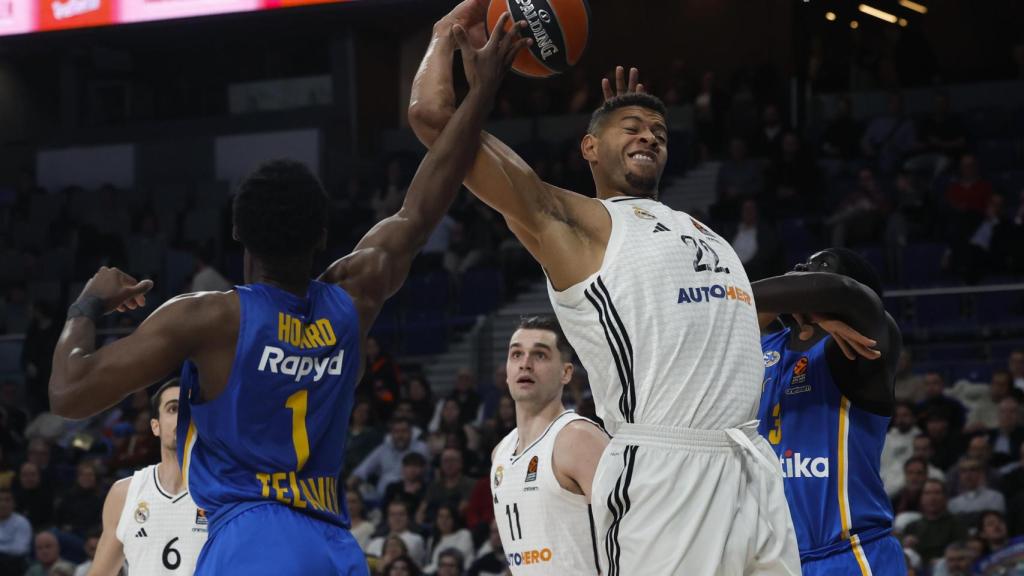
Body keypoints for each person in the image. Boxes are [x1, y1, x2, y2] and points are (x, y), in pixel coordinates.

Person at [47, 18, 529, 575]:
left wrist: (87, 305)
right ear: (322, 236)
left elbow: (68, 392)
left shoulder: (207, 318)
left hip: (251, 539)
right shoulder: (357, 296)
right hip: (332, 545)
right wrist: (485, 86)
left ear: (239, 235)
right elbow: (422, 205)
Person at [408, 2, 799, 572]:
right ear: (588, 149)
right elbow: (431, 118)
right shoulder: (572, 224)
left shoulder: (698, 228)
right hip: (668, 475)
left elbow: (723, 317)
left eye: (659, 131)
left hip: (750, 465)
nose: (649, 136)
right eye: (631, 128)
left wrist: (813, 306)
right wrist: (448, 31)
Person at [753, 248, 906, 575]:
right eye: (802, 263)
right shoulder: (764, 347)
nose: (800, 268)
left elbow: (844, 294)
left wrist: (735, 292)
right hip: (777, 559)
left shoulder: (862, 346)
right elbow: (729, 316)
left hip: (850, 554)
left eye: (820, 266)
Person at [490, 316, 607, 574]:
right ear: (507, 373)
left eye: (540, 355)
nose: (525, 364)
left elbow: (634, 531)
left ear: (566, 373)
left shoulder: (577, 439)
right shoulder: (500, 453)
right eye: (516, 355)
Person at [88, 380, 207, 575]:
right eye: (174, 408)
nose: (184, 416)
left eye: (191, 409)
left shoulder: (223, 492)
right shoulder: (124, 493)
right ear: (155, 426)